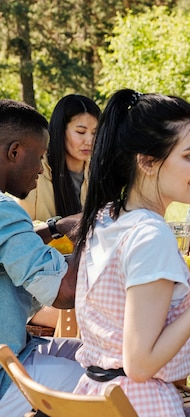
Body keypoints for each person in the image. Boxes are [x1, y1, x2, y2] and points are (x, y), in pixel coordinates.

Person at [71, 89, 190, 417]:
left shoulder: (105, 216)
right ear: (146, 161)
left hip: (98, 399)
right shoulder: (150, 234)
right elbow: (140, 364)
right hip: (142, 404)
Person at [0, 99, 84, 416]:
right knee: (114, 386)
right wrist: (91, 235)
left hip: (17, 348)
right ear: (14, 151)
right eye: (39, 157)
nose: (40, 168)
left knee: (102, 356)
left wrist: (54, 227)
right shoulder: (4, 211)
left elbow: (10, 249)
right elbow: (65, 293)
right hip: (5, 375)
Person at [17, 94, 101, 329]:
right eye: (81, 131)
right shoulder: (34, 169)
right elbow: (19, 232)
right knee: (89, 319)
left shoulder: (96, 173)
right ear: (60, 130)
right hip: (35, 290)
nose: (89, 140)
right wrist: (60, 226)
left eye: (95, 133)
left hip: (84, 281)